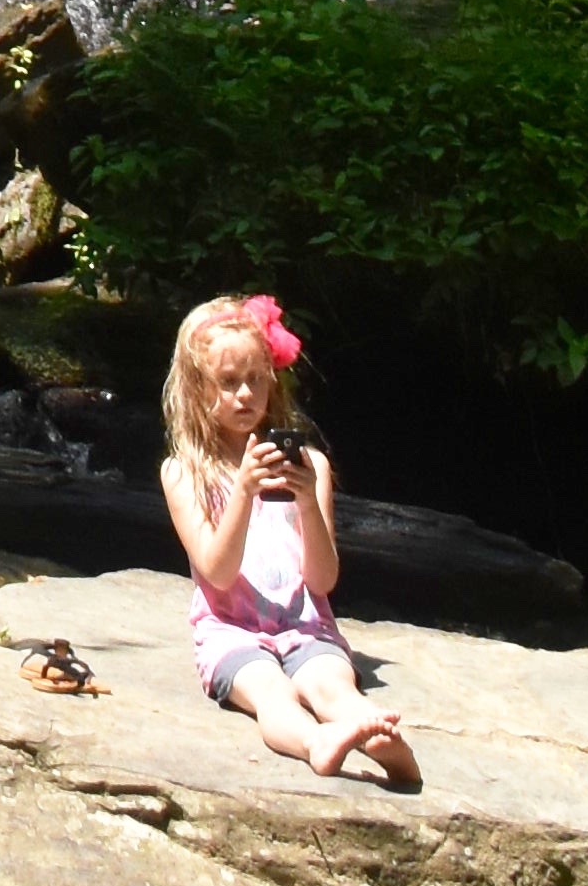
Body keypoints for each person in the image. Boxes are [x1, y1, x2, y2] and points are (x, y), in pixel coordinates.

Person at [161, 292, 419, 785]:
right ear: (198, 390)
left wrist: (306, 501)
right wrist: (242, 490)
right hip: (230, 631)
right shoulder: (183, 474)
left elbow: (322, 580)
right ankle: (316, 743)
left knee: (334, 689)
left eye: (256, 379)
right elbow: (216, 572)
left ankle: (379, 739)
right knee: (270, 693)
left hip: (306, 624)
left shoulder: (311, 465)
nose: (244, 395)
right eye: (228, 382)